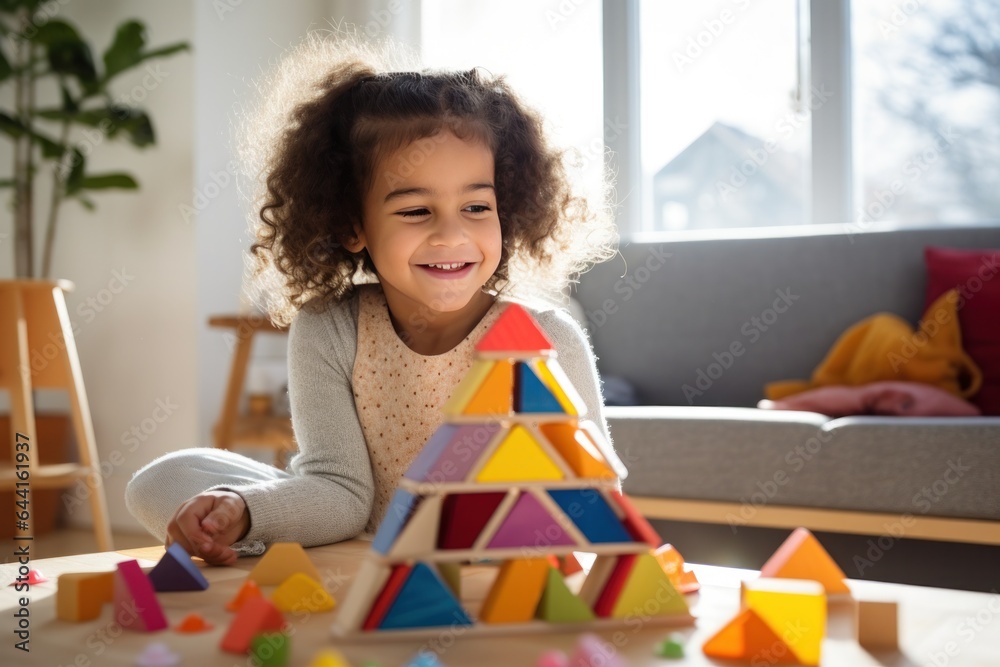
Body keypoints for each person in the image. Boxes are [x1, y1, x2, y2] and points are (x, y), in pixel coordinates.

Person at [125, 34, 617, 566]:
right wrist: (238, 508)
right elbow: (338, 491)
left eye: (477, 207)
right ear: (353, 225)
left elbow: (593, 490)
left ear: (509, 206)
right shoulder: (329, 328)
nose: (452, 235)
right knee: (163, 480)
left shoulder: (545, 339)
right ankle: (281, 545)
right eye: (414, 211)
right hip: (357, 536)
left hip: (491, 556)